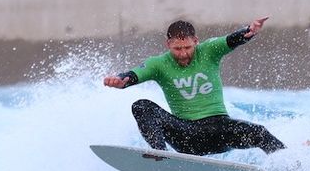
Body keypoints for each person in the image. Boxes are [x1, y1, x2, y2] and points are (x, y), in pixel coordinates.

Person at [103, 17, 286, 156]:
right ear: (168, 45)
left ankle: (290, 168)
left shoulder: (209, 50)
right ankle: (161, 155)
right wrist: (121, 80)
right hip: (185, 135)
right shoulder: (158, 64)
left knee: (259, 132)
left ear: (196, 41)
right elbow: (134, 75)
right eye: (177, 49)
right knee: (141, 106)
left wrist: (249, 31)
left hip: (219, 131)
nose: (183, 54)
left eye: (188, 47)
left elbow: (232, 40)